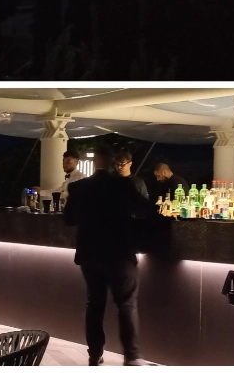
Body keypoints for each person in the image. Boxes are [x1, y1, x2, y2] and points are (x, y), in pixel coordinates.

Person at [63, 149, 156, 366]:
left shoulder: (78, 187)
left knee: (94, 303)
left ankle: (95, 354)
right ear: (112, 163)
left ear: (94, 164)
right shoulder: (123, 185)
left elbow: (68, 220)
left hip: (89, 253)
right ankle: (131, 356)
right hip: (118, 252)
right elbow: (147, 210)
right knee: (126, 304)